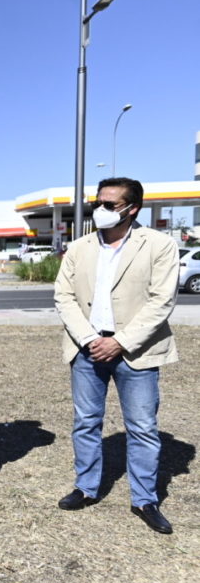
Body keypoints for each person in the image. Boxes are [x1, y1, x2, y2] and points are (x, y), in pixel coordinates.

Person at [53, 177, 178, 534]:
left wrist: (120, 341)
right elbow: (63, 296)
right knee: (86, 422)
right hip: (87, 348)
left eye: (110, 204)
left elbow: (161, 301)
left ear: (131, 208)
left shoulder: (158, 245)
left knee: (141, 427)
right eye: (98, 202)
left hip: (135, 352)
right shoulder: (79, 247)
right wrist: (89, 337)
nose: (100, 210)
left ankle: (144, 499)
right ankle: (86, 488)